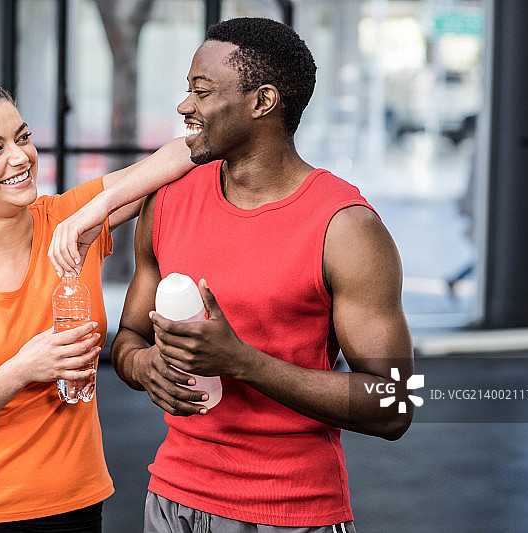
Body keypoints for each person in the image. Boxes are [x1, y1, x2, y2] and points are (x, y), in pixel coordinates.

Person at [108, 18, 415, 532]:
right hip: (170, 500)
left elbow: (395, 404)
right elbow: (131, 337)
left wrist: (243, 362)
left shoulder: (345, 228)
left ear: (263, 100)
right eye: (188, 90)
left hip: (290, 512)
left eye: (201, 92)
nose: (186, 106)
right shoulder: (166, 200)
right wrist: (143, 367)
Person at [0, 77, 194, 532]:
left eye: (22, 137)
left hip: (74, 508)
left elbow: (186, 152)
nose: (19, 157)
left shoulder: (70, 223)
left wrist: (99, 206)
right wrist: (24, 368)